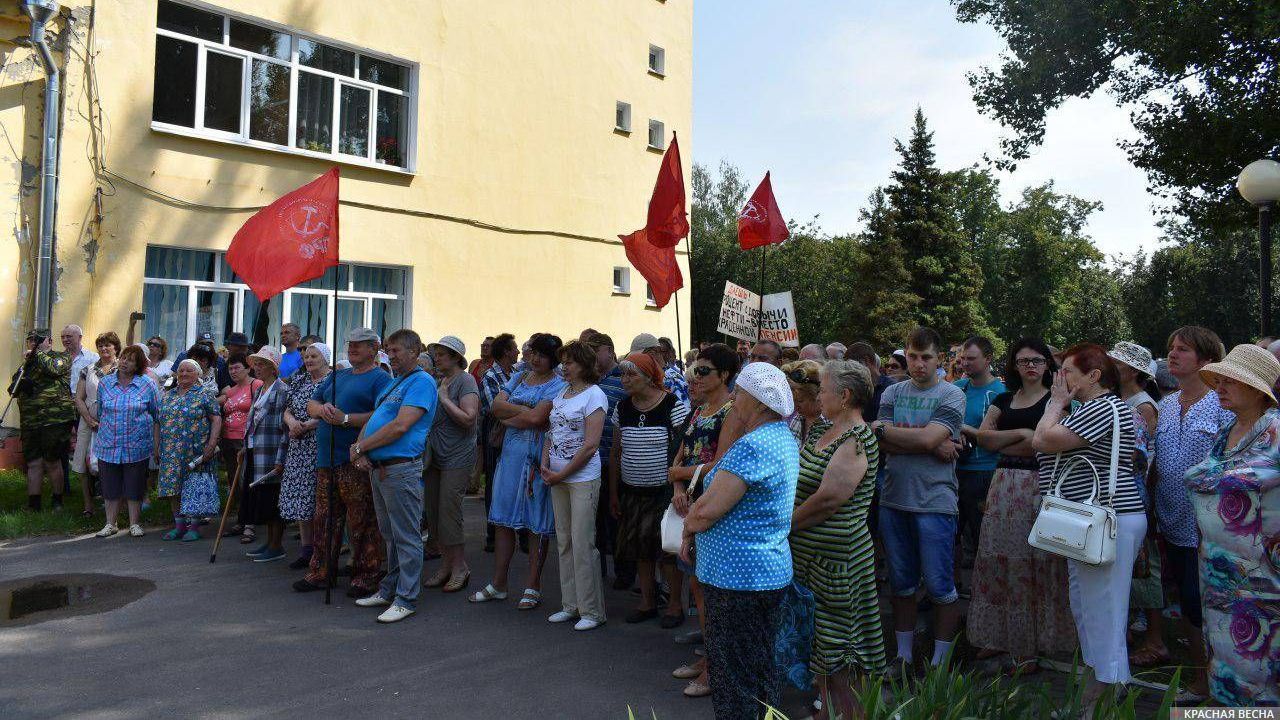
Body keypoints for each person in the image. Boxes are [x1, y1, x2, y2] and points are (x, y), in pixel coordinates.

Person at [681, 362, 798, 720]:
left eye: (740, 393)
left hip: (738, 578)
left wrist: (689, 527)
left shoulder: (754, 445)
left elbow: (708, 509)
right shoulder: (783, 437)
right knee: (761, 665)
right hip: (764, 572)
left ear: (760, 402)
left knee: (734, 673)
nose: (734, 399)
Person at [1032, 343, 1146, 709]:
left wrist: (1054, 405)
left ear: (1094, 376)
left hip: (1106, 519)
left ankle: (1102, 698)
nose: (1059, 378)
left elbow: (1042, 440)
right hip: (1090, 519)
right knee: (1090, 606)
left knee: (1104, 610)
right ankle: (1106, 687)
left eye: (1067, 371)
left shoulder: (1102, 407)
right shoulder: (1094, 408)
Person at [967, 338, 1076, 672]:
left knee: (1035, 565)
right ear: (1014, 365)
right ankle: (1000, 636)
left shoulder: (1057, 402)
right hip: (1003, 488)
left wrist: (1019, 439)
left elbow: (1042, 447)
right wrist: (1023, 435)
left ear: (1048, 365)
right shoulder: (1002, 398)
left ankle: (1029, 646)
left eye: (1038, 360)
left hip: (1039, 487)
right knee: (1000, 562)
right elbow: (983, 439)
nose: (1031, 366)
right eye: (1023, 360)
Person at [1183, 344, 1280, 706]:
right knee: (1224, 660)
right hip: (1217, 573)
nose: (1219, 386)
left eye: (1230, 380)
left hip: (1262, 579)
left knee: (1260, 665)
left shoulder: (1275, 432)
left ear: (1257, 389)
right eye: (1218, 379)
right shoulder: (1227, 432)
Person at [792, 361, 886, 718]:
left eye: (825, 390)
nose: (819, 395)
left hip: (839, 563)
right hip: (812, 559)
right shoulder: (822, 431)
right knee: (822, 647)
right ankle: (828, 712)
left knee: (842, 649)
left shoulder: (857, 439)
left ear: (844, 397)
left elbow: (829, 499)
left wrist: (784, 527)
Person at [871, 327, 967, 674]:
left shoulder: (952, 394)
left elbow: (913, 437)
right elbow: (880, 439)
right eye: (913, 356)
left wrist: (903, 435)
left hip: (935, 501)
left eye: (926, 357)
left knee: (941, 586)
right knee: (901, 584)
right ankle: (904, 656)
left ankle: (941, 664)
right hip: (894, 498)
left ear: (939, 358)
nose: (919, 364)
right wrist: (925, 440)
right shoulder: (893, 391)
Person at [1151, 326, 1230, 696]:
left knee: (1212, 607)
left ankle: (1218, 683)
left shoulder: (1223, 405)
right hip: (1172, 523)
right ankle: (1202, 679)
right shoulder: (1165, 406)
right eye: (1171, 348)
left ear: (1207, 360)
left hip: (1211, 526)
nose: (1173, 354)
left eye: (1182, 349)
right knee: (1188, 605)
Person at [471, 333, 567, 608]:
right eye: (532, 353)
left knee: (536, 523)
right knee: (502, 521)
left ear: (553, 358)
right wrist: (525, 410)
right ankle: (499, 582)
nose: (534, 359)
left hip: (537, 459)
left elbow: (539, 418)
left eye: (541, 354)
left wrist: (515, 414)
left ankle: (532, 584)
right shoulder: (519, 377)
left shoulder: (557, 384)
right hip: (511, 456)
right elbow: (495, 407)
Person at [295, 328, 393, 597]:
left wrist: (346, 418)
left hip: (354, 458)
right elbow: (313, 404)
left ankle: (366, 574)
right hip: (325, 459)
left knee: (361, 519)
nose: (352, 348)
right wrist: (322, 410)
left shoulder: (381, 379)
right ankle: (320, 571)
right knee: (325, 518)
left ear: (374, 348)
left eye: (359, 345)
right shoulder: (338, 375)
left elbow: (382, 414)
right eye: (350, 343)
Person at [668, 343, 742, 698]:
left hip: (714, 504)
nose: (695, 377)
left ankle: (716, 668)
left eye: (703, 371)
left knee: (710, 591)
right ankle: (709, 658)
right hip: (690, 505)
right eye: (694, 370)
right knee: (697, 586)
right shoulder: (699, 411)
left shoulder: (731, 412)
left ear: (724, 375)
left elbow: (723, 463)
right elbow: (679, 455)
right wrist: (678, 485)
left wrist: (679, 473)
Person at [350, 329, 438, 623]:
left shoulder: (422, 382)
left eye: (396, 350)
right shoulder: (394, 383)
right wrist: (360, 449)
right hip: (381, 468)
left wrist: (362, 445)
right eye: (388, 350)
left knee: (406, 535)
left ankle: (406, 598)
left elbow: (401, 426)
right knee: (389, 534)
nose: (390, 356)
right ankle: (390, 588)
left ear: (414, 351)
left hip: (401, 468)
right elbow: (377, 418)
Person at [610, 351, 690, 626]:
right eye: (623, 374)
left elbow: (684, 450)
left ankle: (675, 606)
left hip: (664, 492)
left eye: (631, 374)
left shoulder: (672, 405)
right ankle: (647, 602)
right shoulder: (622, 408)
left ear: (648, 377)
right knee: (639, 548)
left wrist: (679, 486)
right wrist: (614, 492)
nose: (625, 379)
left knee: (666, 550)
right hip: (633, 490)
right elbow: (616, 452)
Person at [540, 340, 609, 631]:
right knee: (564, 540)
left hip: (581, 478)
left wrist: (561, 473)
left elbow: (590, 445)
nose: (563, 367)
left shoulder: (595, 395)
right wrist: (545, 464)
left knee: (583, 542)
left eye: (569, 362)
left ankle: (592, 610)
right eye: (563, 362)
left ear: (583, 363)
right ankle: (571, 605)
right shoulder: (562, 393)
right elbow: (551, 432)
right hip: (557, 476)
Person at [1108, 341, 1167, 667]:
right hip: (1123, 493)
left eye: (1116, 362)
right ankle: (1130, 629)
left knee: (1145, 567)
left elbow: (1141, 457)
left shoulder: (1142, 405)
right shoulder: (1123, 400)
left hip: (1134, 494)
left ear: (1132, 370)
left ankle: (1155, 637)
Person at [423, 336, 480, 593]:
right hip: (435, 456)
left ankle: (460, 567)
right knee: (434, 513)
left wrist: (445, 399)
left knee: (449, 512)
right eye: (436, 353)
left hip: (457, 456)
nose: (437, 357)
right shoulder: (438, 381)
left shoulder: (465, 381)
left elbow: (469, 418)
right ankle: (445, 566)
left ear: (457, 357)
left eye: (443, 354)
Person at [92, 345, 160, 537]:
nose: (124, 362)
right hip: (109, 444)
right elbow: (100, 412)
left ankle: (134, 524)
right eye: (123, 358)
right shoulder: (105, 383)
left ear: (138, 364)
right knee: (110, 486)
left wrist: (156, 444)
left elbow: (157, 414)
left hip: (136, 445)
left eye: (130, 360)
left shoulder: (147, 384)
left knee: (135, 485)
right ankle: (110, 524)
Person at [954, 336, 1007, 566]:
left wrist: (965, 429)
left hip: (985, 472)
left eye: (971, 359)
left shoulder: (1001, 393)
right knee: (950, 535)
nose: (965, 363)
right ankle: (951, 590)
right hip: (954, 469)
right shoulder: (956, 389)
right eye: (963, 358)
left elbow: (999, 439)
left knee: (982, 537)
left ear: (988, 359)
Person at [157, 359, 222, 541]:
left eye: (188, 371)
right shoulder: (168, 395)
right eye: (181, 370)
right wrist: (156, 446)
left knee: (193, 487)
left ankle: (193, 526)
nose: (184, 374)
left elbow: (216, 419)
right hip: (170, 450)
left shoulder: (204, 394)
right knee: (173, 488)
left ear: (198, 375)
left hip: (196, 450)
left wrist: (211, 443)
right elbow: (158, 422)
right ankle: (179, 526)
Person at [280, 343, 331, 570]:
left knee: (318, 498)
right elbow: (287, 409)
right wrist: (293, 423)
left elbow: (334, 411)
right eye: (306, 356)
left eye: (314, 356)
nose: (308, 360)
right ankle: (306, 549)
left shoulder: (332, 381)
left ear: (325, 358)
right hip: (298, 444)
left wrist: (308, 425)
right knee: (301, 497)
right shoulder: (300, 380)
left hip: (319, 443)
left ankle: (324, 550)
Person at [588, 332, 633, 588]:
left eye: (596, 350)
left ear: (609, 350)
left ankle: (624, 573)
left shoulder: (623, 380)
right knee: (596, 521)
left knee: (617, 519)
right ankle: (598, 572)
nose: (593, 356)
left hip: (615, 461)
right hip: (593, 460)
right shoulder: (592, 381)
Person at [12, 329, 75, 511]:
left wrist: (37, 353)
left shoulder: (61, 357)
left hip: (54, 419)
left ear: (50, 341)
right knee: (33, 462)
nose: (35, 343)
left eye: (39, 339)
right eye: (31, 340)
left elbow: (54, 369)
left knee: (52, 461)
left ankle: (57, 501)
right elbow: (15, 386)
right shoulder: (28, 363)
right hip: (31, 420)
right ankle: (34, 504)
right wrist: (20, 382)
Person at [239, 348, 290, 563]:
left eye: (262, 364)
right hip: (256, 450)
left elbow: (283, 428)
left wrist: (281, 459)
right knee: (263, 498)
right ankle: (269, 542)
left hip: (271, 452)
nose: (257, 368)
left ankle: (277, 545)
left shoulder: (281, 390)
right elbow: (253, 421)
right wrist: (244, 446)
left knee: (273, 499)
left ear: (273, 367)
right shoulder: (261, 390)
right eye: (256, 364)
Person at [72, 332, 120, 517]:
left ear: (116, 347)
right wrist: (89, 420)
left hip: (116, 422)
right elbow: (79, 398)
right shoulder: (88, 368)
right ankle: (88, 505)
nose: (103, 348)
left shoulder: (122, 367)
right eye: (100, 345)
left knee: (114, 464)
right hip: (88, 422)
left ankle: (116, 504)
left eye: (108, 345)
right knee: (82, 464)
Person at [479, 333, 519, 552]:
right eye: (514, 348)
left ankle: (515, 529)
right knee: (494, 481)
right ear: (506, 352)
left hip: (514, 430)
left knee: (514, 479)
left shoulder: (515, 373)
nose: (518, 352)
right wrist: (523, 409)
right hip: (496, 431)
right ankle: (493, 533)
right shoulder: (490, 376)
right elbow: (495, 408)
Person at [218, 355, 262, 544]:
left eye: (237, 368)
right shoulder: (230, 391)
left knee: (247, 480)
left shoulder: (256, 385)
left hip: (248, 440)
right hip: (229, 439)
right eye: (230, 369)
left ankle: (250, 524)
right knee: (233, 482)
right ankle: (241, 520)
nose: (233, 372)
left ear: (248, 368)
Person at [632, 333, 690, 406]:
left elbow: (684, 412)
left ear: (653, 352)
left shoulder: (672, 379)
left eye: (639, 356)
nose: (635, 360)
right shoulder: (648, 377)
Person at [782, 359, 823, 443]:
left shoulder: (832, 424)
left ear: (818, 395)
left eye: (800, 400)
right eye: (792, 400)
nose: (794, 405)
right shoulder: (797, 419)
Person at [61, 324, 99, 397]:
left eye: (69, 336)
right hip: (63, 402)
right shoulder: (58, 358)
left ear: (80, 337)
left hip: (84, 401)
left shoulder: (93, 358)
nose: (65, 340)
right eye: (62, 337)